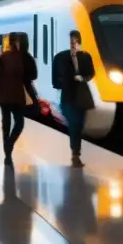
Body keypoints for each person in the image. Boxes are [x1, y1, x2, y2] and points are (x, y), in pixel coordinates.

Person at [52, 30, 96, 168]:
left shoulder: (85, 57)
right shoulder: (60, 57)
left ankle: (76, 152)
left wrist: (82, 78)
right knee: (74, 124)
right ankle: (75, 154)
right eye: (71, 41)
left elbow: (91, 73)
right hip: (68, 96)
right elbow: (55, 78)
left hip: (81, 96)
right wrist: (66, 81)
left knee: (79, 125)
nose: (73, 44)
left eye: (76, 41)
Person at [0, 32, 27, 167]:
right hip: (16, 95)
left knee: (6, 122)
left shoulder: (3, 57)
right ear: (17, 43)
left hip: (4, 95)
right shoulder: (22, 58)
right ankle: (9, 144)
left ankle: (7, 149)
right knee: (19, 122)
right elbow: (30, 75)